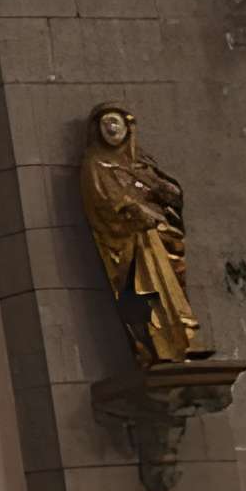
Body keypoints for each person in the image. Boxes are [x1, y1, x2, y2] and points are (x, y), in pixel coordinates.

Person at [79, 102, 207, 365]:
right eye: (106, 124)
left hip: (160, 236)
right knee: (144, 290)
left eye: (116, 122)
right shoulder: (96, 165)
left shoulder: (142, 163)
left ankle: (184, 339)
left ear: (128, 127)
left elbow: (171, 195)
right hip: (132, 241)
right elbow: (103, 202)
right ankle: (158, 346)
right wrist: (133, 210)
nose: (112, 128)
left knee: (172, 287)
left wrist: (163, 192)